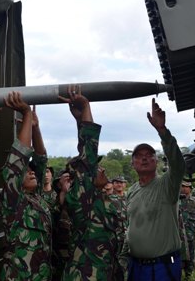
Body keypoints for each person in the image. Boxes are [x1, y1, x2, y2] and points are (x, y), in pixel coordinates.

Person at [59, 84, 126, 280]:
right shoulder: (81, 200)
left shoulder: (100, 200)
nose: (101, 169)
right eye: (96, 168)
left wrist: (80, 118)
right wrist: (86, 108)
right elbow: (87, 153)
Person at [0, 92, 52, 280]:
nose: (32, 172)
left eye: (32, 172)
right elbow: (18, 159)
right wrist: (26, 115)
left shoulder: (37, 198)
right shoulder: (14, 200)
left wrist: (35, 128)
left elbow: (40, 160)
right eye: (26, 171)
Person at [125, 98, 186, 281]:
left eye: (149, 155)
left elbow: (178, 164)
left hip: (162, 267)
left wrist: (162, 131)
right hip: (136, 265)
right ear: (132, 163)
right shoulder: (132, 190)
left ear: (156, 161)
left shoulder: (167, 184)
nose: (144, 158)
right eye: (139, 156)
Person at [179, 182, 195, 281]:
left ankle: (188, 276)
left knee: (191, 257)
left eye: (187, 187)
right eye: (183, 186)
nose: (185, 189)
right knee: (176, 258)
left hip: (190, 236)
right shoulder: (175, 201)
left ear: (190, 188)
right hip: (177, 237)